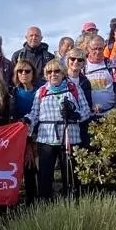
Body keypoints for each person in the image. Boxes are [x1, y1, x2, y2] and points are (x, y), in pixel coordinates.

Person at [27, 59, 90, 201]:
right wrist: (26, 123)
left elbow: (86, 111)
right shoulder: (41, 91)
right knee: (45, 176)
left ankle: (72, 204)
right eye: (49, 72)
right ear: (45, 75)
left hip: (70, 137)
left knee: (70, 176)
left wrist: (75, 115)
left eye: (56, 71)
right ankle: (44, 206)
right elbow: (34, 114)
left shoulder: (74, 88)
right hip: (46, 138)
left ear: (62, 73)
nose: (53, 74)